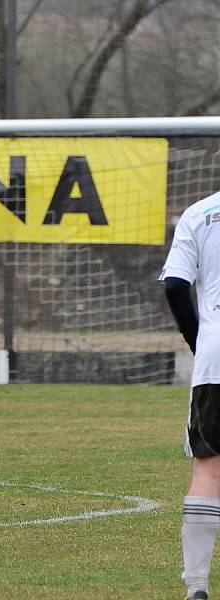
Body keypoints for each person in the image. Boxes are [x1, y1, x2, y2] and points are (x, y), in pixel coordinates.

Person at [161, 195, 220, 600]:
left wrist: (199, 339)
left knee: (208, 468)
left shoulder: (199, 213)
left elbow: (176, 284)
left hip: (216, 360)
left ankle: (196, 585)